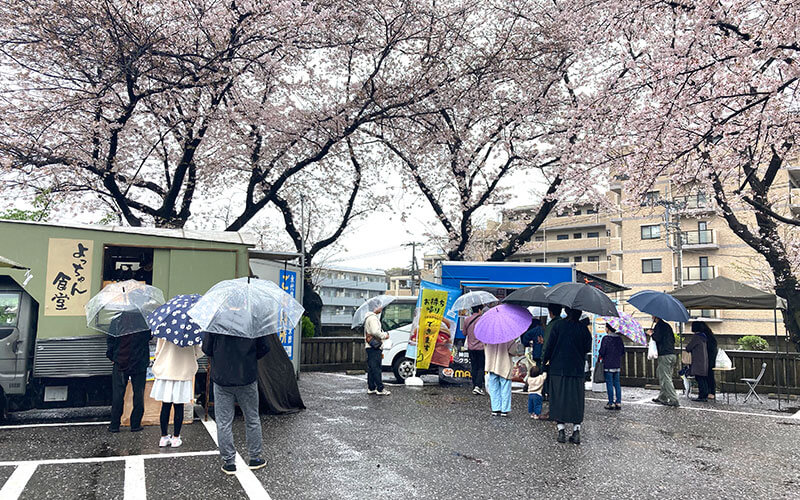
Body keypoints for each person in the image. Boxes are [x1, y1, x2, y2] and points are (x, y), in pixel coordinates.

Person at [203, 332, 269, 475]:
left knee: (224, 422)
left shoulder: (217, 322)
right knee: (252, 418)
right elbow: (264, 348)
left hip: (222, 378)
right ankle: (255, 458)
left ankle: (229, 463)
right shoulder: (252, 321)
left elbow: (206, 348)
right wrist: (248, 356)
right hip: (246, 376)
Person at [543, 307, 591, 445]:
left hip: (558, 368)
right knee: (576, 399)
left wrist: (544, 362)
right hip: (576, 370)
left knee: (559, 398)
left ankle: (561, 431)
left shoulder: (558, 326)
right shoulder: (582, 329)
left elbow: (549, 346)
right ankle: (576, 431)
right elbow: (588, 347)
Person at [150, 337, 204, 447]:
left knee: (165, 406)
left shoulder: (165, 329)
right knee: (179, 406)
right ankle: (176, 437)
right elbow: (199, 351)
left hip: (166, 371)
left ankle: (164, 437)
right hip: (182, 372)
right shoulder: (191, 332)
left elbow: (158, 351)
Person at [106, 311, 151, 433]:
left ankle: (114, 425)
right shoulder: (144, 320)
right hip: (139, 362)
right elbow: (149, 337)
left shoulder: (117, 320)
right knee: (138, 393)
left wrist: (112, 356)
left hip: (121, 361)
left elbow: (110, 339)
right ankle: (135, 424)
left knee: (118, 394)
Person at [484, 337, 522, 417]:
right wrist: (515, 343)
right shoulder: (508, 337)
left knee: (493, 387)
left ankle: (495, 408)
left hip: (491, 365)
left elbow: (485, 348)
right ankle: (504, 409)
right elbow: (513, 351)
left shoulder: (488, 337)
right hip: (504, 365)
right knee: (505, 388)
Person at [649, 316, 680, 407]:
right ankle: (662, 397)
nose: (651, 317)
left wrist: (651, 334)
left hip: (664, 355)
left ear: (655, 317)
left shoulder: (659, 326)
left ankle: (674, 399)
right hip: (672, 354)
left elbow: (657, 338)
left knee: (666, 378)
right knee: (664, 376)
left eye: (652, 316)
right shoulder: (667, 326)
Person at [364, 306, 390, 395]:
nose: (381, 307)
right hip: (375, 347)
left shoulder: (368, 317)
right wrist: (384, 335)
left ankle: (371, 387)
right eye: (379, 305)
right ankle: (380, 388)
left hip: (369, 346)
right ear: (374, 307)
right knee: (376, 368)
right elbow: (375, 332)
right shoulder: (373, 318)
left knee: (371, 368)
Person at [598, 323, 625, 410]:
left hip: (608, 364)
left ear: (608, 328)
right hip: (617, 364)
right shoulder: (619, 339)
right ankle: (618, 402)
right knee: (617, 383)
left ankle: (611, 402)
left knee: (609, 383)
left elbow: (602, 352)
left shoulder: (606, 338)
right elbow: (622, 352)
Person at [541, 304, 564, 401]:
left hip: (551, 357)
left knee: (548, 377)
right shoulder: (563, 323)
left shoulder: (552, 325)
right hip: (561, 356)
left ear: (550, 313)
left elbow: (548, 343)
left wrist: (544, 356)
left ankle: (548, 395)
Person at [463, 306, 485, 395]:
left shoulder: (467, 320)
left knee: (474, 366)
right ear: (479, 310)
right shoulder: (482, 320)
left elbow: (464, 333)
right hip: (481, 347)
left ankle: (474, 385)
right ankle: (478, 386)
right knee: (481, 367)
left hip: (471, 347)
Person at [686, 322, 710, 402]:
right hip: (704, 360)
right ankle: (705, 394)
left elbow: (689, 347)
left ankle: (702, 396)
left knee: (699, 378)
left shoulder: (696, 337)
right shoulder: (704, 337)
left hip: (698, 360)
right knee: (703, 378)